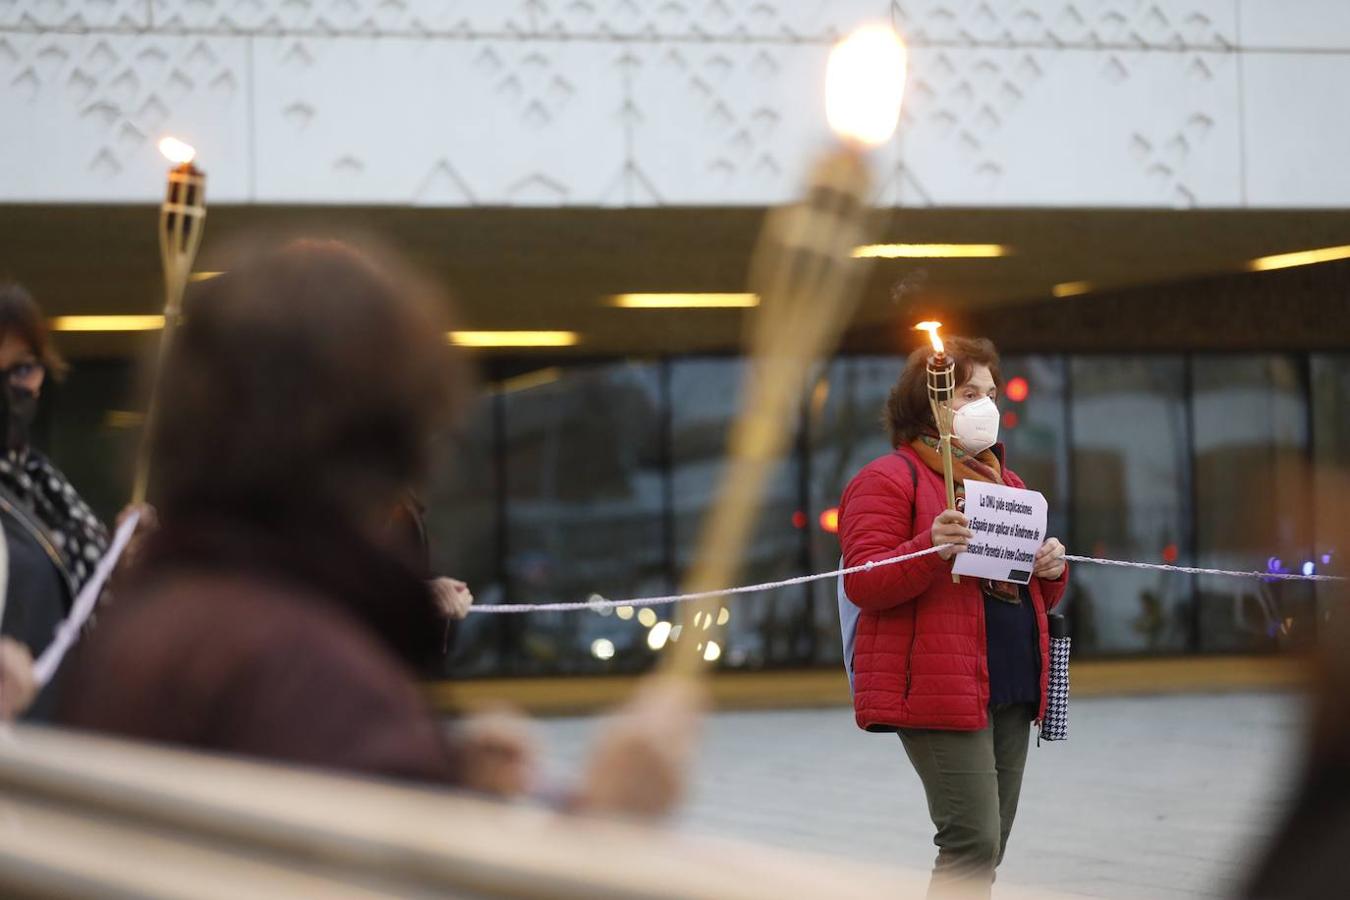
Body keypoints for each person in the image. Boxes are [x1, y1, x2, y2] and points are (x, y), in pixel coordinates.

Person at [58, 238, 699, 815]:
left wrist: (441, 778)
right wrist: (606, 820)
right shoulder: (311, 673)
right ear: (386, 436)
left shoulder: (151, 628)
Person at [837, 336, 1068, 899]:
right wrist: (929, 546)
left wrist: (1050, 568)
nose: (985, 405)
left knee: (991, 845)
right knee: (970, 839)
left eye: (989, 393)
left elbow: (1032, 591)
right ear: (933, 400)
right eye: (969, 392)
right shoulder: (887, 479)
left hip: (1010, 677)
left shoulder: (1006, 483)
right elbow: (864, 581)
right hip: (939, 683)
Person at [0, 282, 110, 720]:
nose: (11, 389)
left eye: (24, 369)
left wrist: (118, 558)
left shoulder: (43, 488)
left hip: (55, 749)